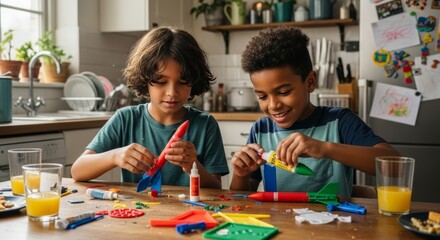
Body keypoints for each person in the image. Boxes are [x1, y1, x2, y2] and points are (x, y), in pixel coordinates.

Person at [230, 26, 400, 197]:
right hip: (279, 223)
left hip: (335, 222)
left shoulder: (339, 121)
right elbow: (242, 198)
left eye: (283, 92)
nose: (273, 105)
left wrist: (325, 148)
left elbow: (395, 165)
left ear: (310, 82)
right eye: (262, 96)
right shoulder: (261, 130)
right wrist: (240, 174)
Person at [71, 26, 229, 189]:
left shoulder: (206, 124)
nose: (172, 92)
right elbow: (77, 171)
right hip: (139, 212)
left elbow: (215, 188)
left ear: (193, 81)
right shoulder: (126, 119)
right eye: (161, 82)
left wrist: (192, 166)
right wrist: (115, 156)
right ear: (144, 80)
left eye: (182, 82)